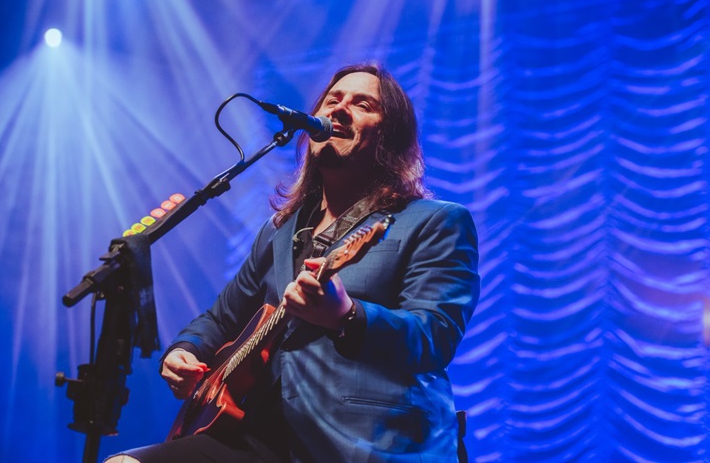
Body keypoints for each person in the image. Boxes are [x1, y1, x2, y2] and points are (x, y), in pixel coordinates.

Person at [105, 62, 480, 462]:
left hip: (366, 442)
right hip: (261, 435)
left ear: (390, 135)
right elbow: (221, 319)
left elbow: (435, 336)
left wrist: (347, 316)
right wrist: (186, 351)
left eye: (362, 104)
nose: (339, 109)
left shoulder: (435, 221)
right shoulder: (280, 230)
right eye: (332, 100)